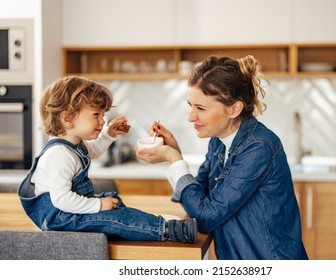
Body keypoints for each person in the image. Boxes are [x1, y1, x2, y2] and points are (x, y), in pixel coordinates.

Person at [137, 55, 308, 259]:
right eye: (190, 105)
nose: (190, 116)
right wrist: (175, 151)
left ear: (234, 109)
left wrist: (174, 159)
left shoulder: (259, 147)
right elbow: (198, 204)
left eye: (200, 108)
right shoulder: (218, 141)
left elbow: (205, 218)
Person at [18, 76, 197, 244]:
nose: (102, 121)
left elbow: (93, 151)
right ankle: (167, 230)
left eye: (103, 115)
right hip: (60, 217)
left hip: (69, 211)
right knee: (113, 217)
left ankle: (148, 224)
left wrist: (108, 134)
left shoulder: (73, 144)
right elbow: (62, 200)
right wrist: (97, 204)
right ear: (67, 118)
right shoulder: (59, 155)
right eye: (96, 115)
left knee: (113, 200)